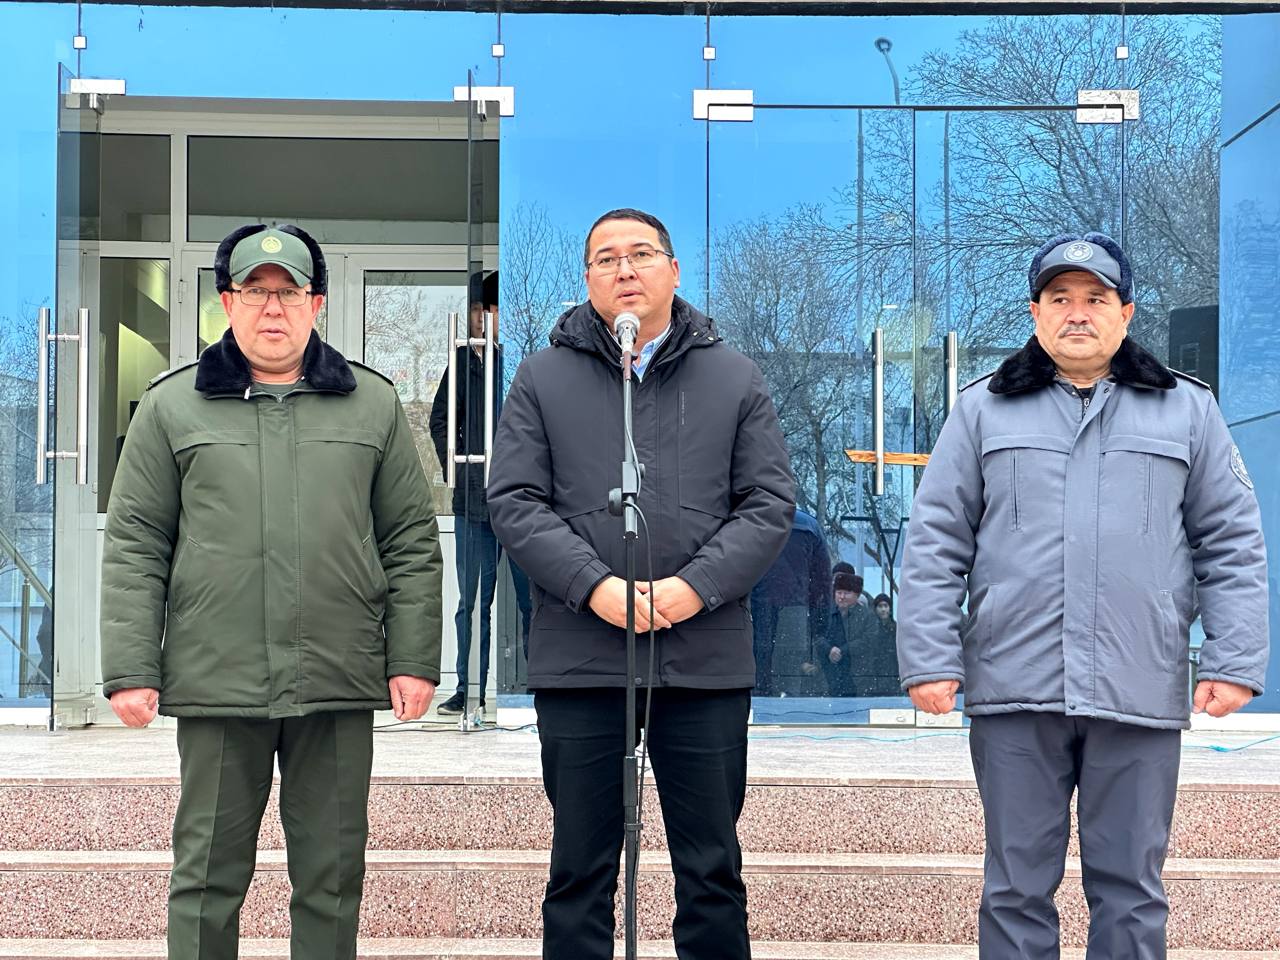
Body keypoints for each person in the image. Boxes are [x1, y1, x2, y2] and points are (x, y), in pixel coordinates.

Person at [897, 232, 1269, 959]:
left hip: (1138, 684)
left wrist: (1234, 659)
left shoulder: (1186, 410)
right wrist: (929, 656)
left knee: (1132, 890)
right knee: (1015, 888)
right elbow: (936, 540)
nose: (1077, 313)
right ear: (1035, 313)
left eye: (1096, 299)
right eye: (1060, 298)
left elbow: (1230, 542)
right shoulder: (982, 410)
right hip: (1015, 687)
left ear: (1125, 313)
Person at [100, 223, 444, 960]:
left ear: (316, 304)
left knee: (332, 876)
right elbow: (135, 543)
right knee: (206, 877)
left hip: (338, 676)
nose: (273, 309)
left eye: (290, 293)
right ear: (227, 302)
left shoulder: (373, 404)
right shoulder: (172, 406)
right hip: (218, 679)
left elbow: (411, 541)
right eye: (255, 292)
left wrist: (413, 659)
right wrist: (131, 668)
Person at [487, 208, 795, 960]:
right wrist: (594, 586)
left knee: (711, 871)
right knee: (580, 871)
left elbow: (768, 504)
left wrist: (696, 587)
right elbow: (514, 501)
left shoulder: (734, 377)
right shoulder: (542, 377)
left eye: (642, 254)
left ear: (674, 270)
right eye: (606, 258)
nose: (625, 269)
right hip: (584, 659)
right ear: (587, 279)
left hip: (703, 662)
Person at [429, 270, 520, 715]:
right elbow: (440, 423)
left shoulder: (518, 361)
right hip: (473, 503)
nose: (483, 318)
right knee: (473, 602)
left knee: (534, 602)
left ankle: (535, 692)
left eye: (490, 310)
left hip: (523, 505)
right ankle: (469, 691)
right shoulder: (463, 362)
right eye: (479, 311)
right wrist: (461, 471)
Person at [749, 508, 832, 696]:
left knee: (759, 665)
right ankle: (788, 700)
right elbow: (822, 581)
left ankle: (759, 697)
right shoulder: (809, 526)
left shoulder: (751, 518)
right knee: (790, 672)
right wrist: (820, 625)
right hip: (796, 608)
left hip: (759, 605)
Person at [823, 565, 875, 697]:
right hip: (829, 676)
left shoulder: (867, 616)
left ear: (857, 595)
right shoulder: (826, 613)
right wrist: (829, 649)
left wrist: (842, 650)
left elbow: (868, 641)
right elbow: (817, 636)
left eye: (846, 593)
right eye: (839, 592)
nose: (842, 597)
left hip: (858, 676)